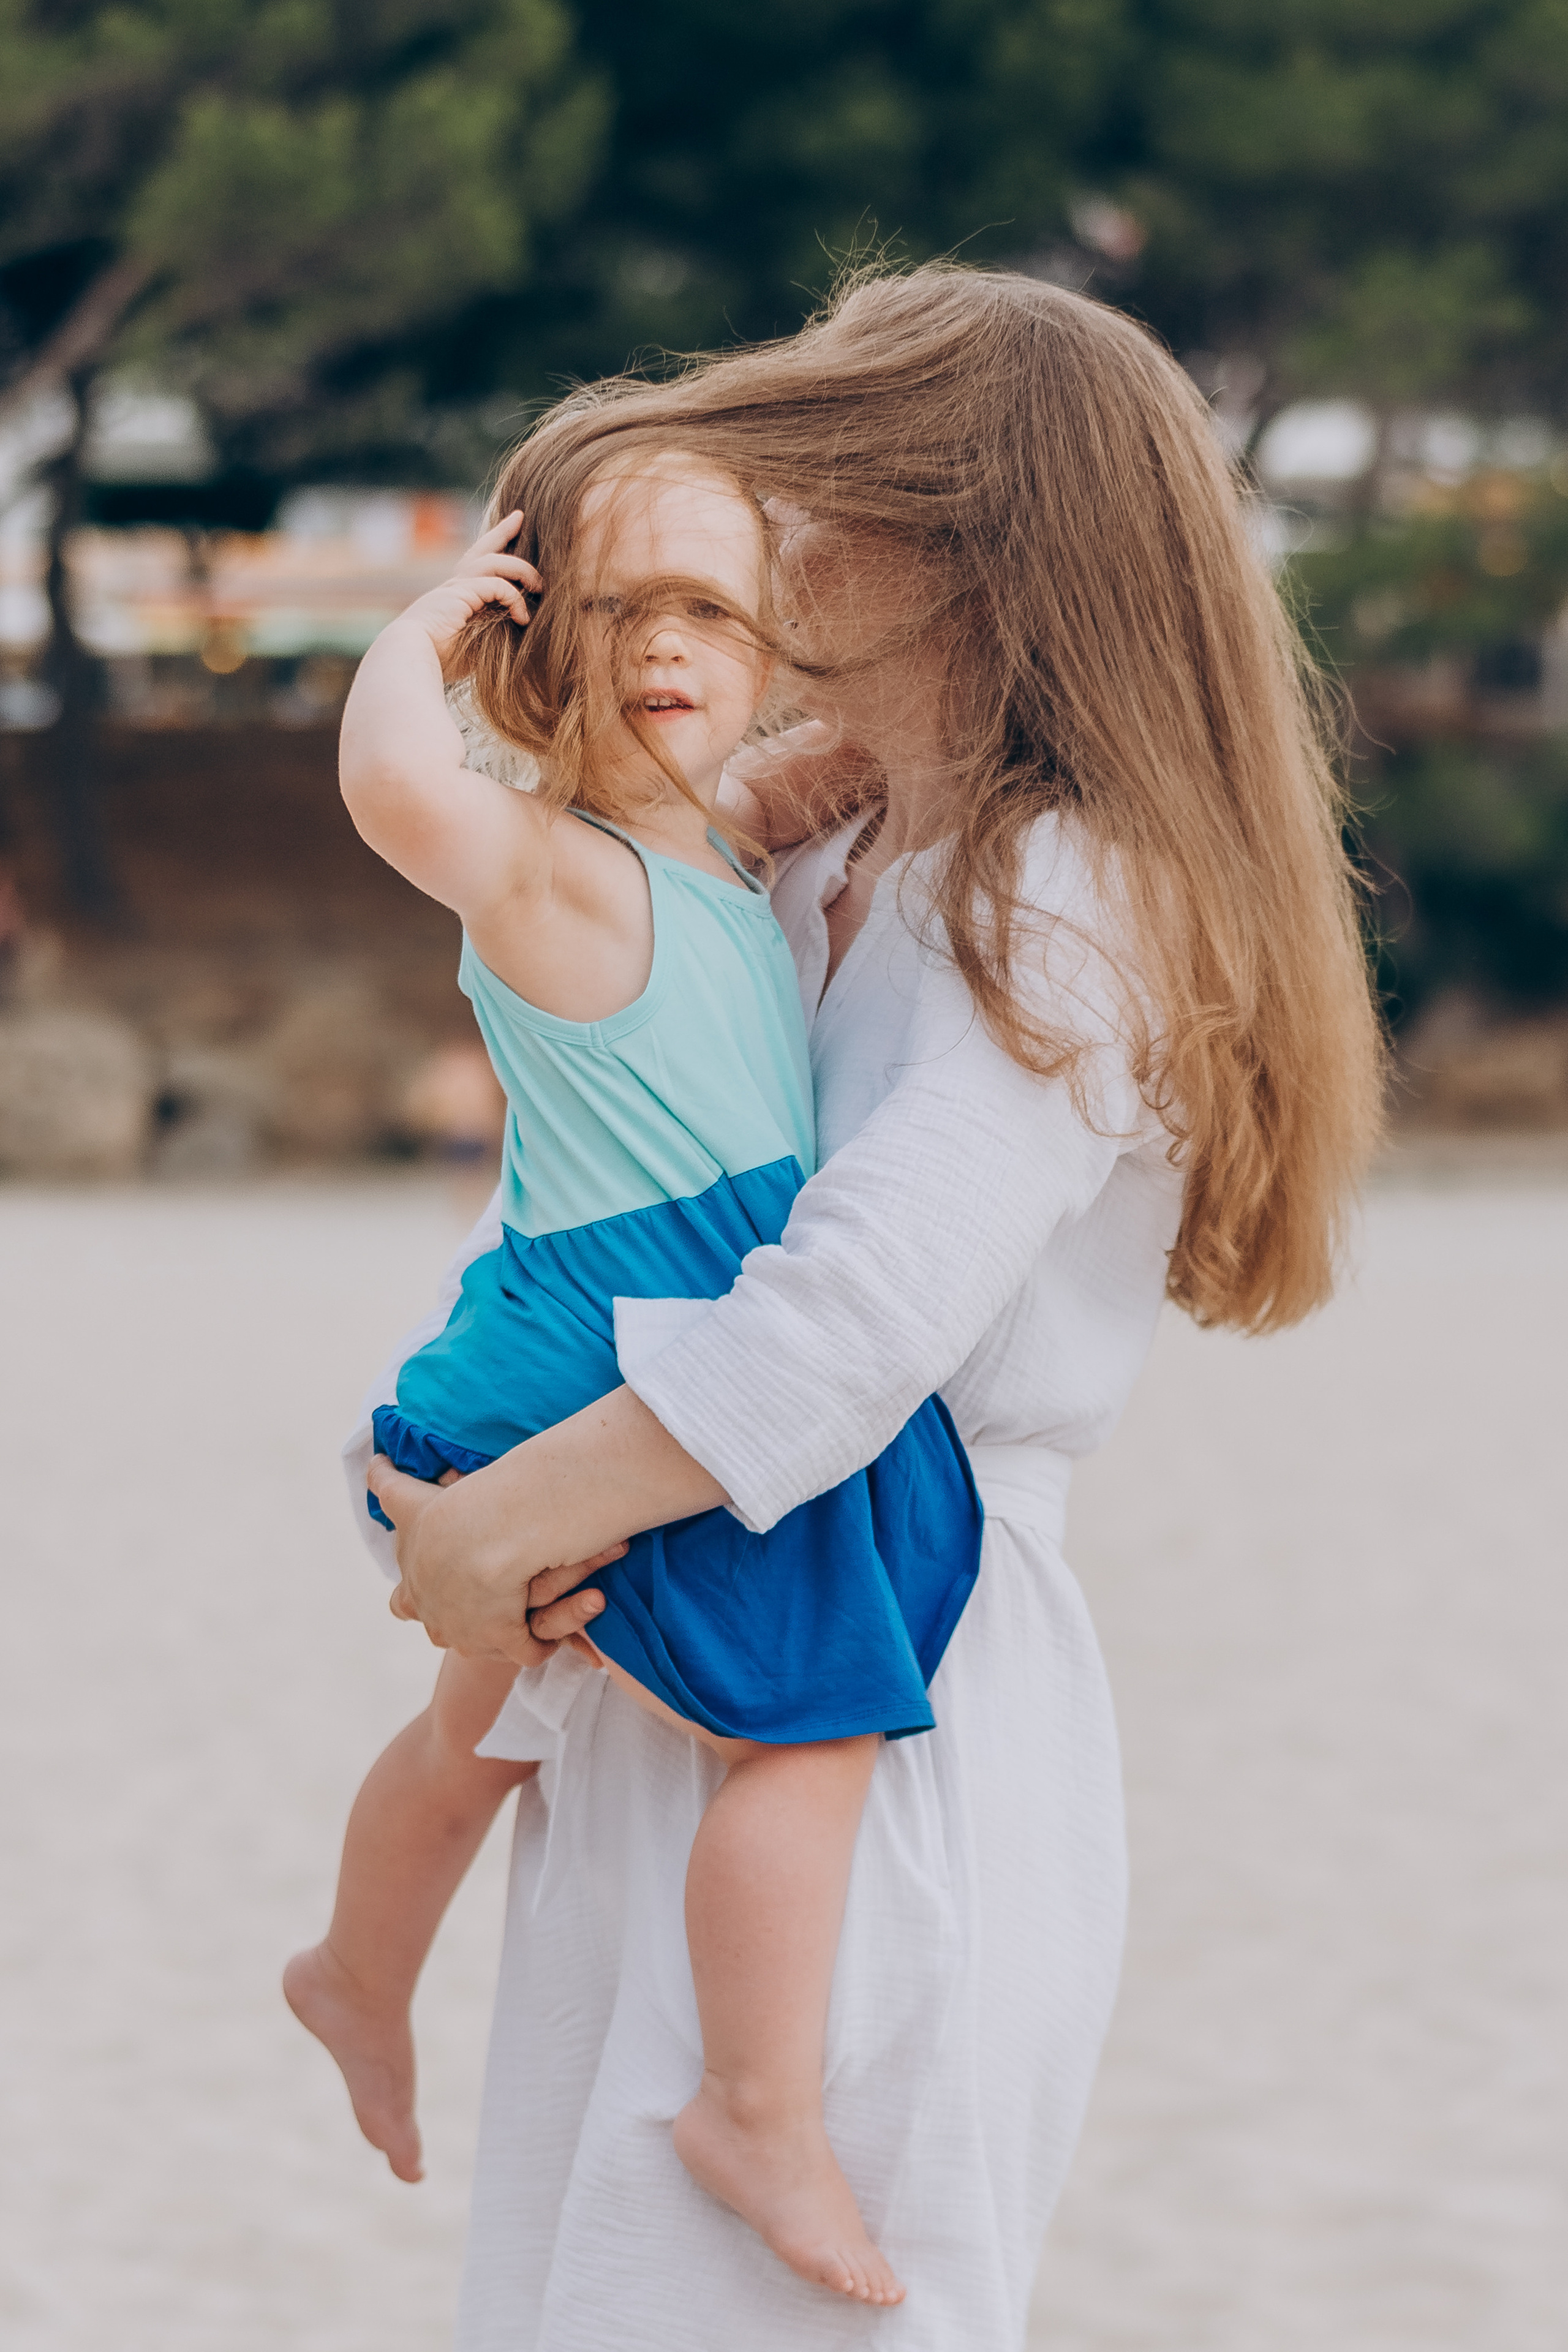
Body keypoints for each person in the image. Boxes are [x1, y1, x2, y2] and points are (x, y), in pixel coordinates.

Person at [357, 264, 1385, 2351]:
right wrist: (456, 1493)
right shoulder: (814, 864)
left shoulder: (1071, 883)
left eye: (832, 476)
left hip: (887, 1667)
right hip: (678, 1631)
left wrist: (491, 1529)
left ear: (959, 544)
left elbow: (853, 1321)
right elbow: (619, 1210)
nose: (782, 517)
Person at [285, 442, 982, 2307]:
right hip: (605, 1354)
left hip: (592, 1332)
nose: (667, 645)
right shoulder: (548, 868)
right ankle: (757, 2107)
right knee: (808, 1724)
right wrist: (426, 630)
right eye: (614, 611)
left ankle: (354, 1970)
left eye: (709, 613)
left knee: (478, 1731)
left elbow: (837, 765)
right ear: (532, 644)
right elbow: (389, 784)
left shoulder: (731, 852)